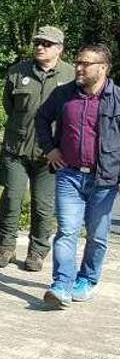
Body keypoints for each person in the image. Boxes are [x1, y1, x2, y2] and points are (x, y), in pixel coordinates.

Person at [34, 44, 120, 308]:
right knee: (67, 231)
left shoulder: (117, 98)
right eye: (78, 62)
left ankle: (87, 279)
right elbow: (40, 118)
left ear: (102, 68)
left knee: (96, 235)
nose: (79, 68)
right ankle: (61, 285)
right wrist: (50, 149)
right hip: (68, 175)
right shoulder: (64, 94)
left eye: (86, 64)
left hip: (103, 181)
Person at [0, 26, 75, 271]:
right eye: (38, 42)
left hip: (51, 155)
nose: (40, 47)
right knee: (12, 199)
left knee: (43, 205)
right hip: (16, 150)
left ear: (59, 48)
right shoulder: (18, 72)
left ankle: (37, 252)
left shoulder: (70, 76)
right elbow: (10, 106)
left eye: (46, 44)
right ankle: (5, 248)